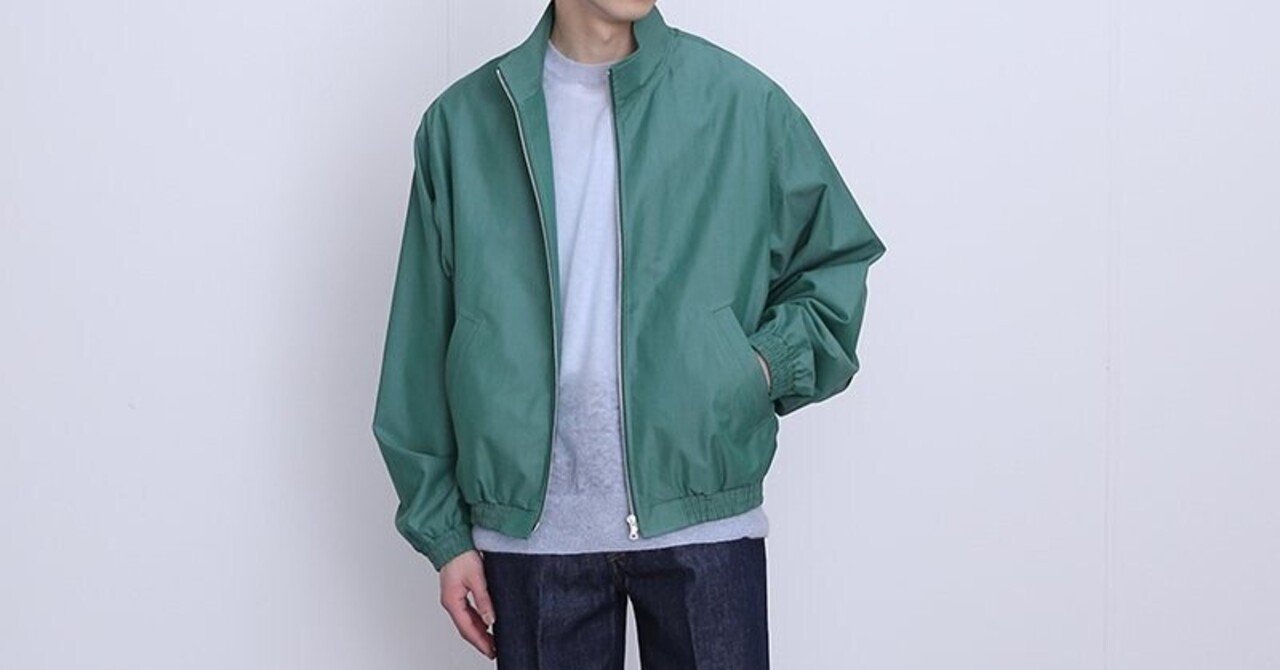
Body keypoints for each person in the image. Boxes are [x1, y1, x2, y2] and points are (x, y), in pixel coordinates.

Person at [372, 0, 886, 667]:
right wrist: (444, 535)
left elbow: (835, 262)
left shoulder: (739, 103)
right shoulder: (464, 123)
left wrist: (754, 367)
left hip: (702, 518)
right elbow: (419, 345)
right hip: (532, 538)